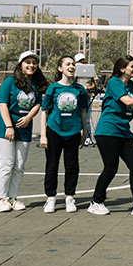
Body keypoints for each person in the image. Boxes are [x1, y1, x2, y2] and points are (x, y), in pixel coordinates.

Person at [88, 56, 133, 216]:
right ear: (122, 69)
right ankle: (96, 202)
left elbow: (124, 103)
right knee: (111, 168)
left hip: (123, 131)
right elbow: (126, 101)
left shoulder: (131, 84)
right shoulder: (115, 82)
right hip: (108, 131)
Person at [0, 50, 47, 212]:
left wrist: (29, 117)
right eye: (27, 62)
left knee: (20, 165)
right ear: (20, 65)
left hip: (24, 129)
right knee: (7, 163)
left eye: (34, 63)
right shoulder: (10, 82)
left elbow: (38, 104)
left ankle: (13, 198)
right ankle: (2, 199)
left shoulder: (36, 84)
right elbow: (2, 105)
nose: (31, 65)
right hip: (5, 128)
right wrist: (9, 126)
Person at [39, 55, 88, 213]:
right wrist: (43, 135)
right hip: (54, 131)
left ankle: (69, 197)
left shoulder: (79, 89)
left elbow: (82, 111)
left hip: (73, 131)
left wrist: (85, 132)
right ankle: (51, 198)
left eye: (73, 64)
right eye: (68, 64)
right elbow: (44, 112)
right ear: (60, 68)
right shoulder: (53, 88)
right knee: (52, 165)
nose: (72, 66)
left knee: (72, 165)